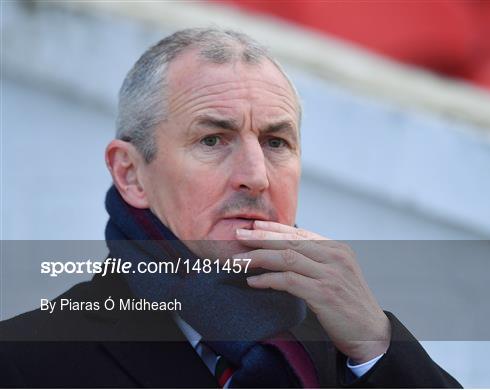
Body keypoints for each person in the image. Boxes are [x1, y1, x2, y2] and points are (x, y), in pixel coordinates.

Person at [0, 28, 461, 388]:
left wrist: (376, 345)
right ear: (130, 174)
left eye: (276, 141)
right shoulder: (25, 360)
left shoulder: (352, 340)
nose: (256, 175)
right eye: (213, 139)